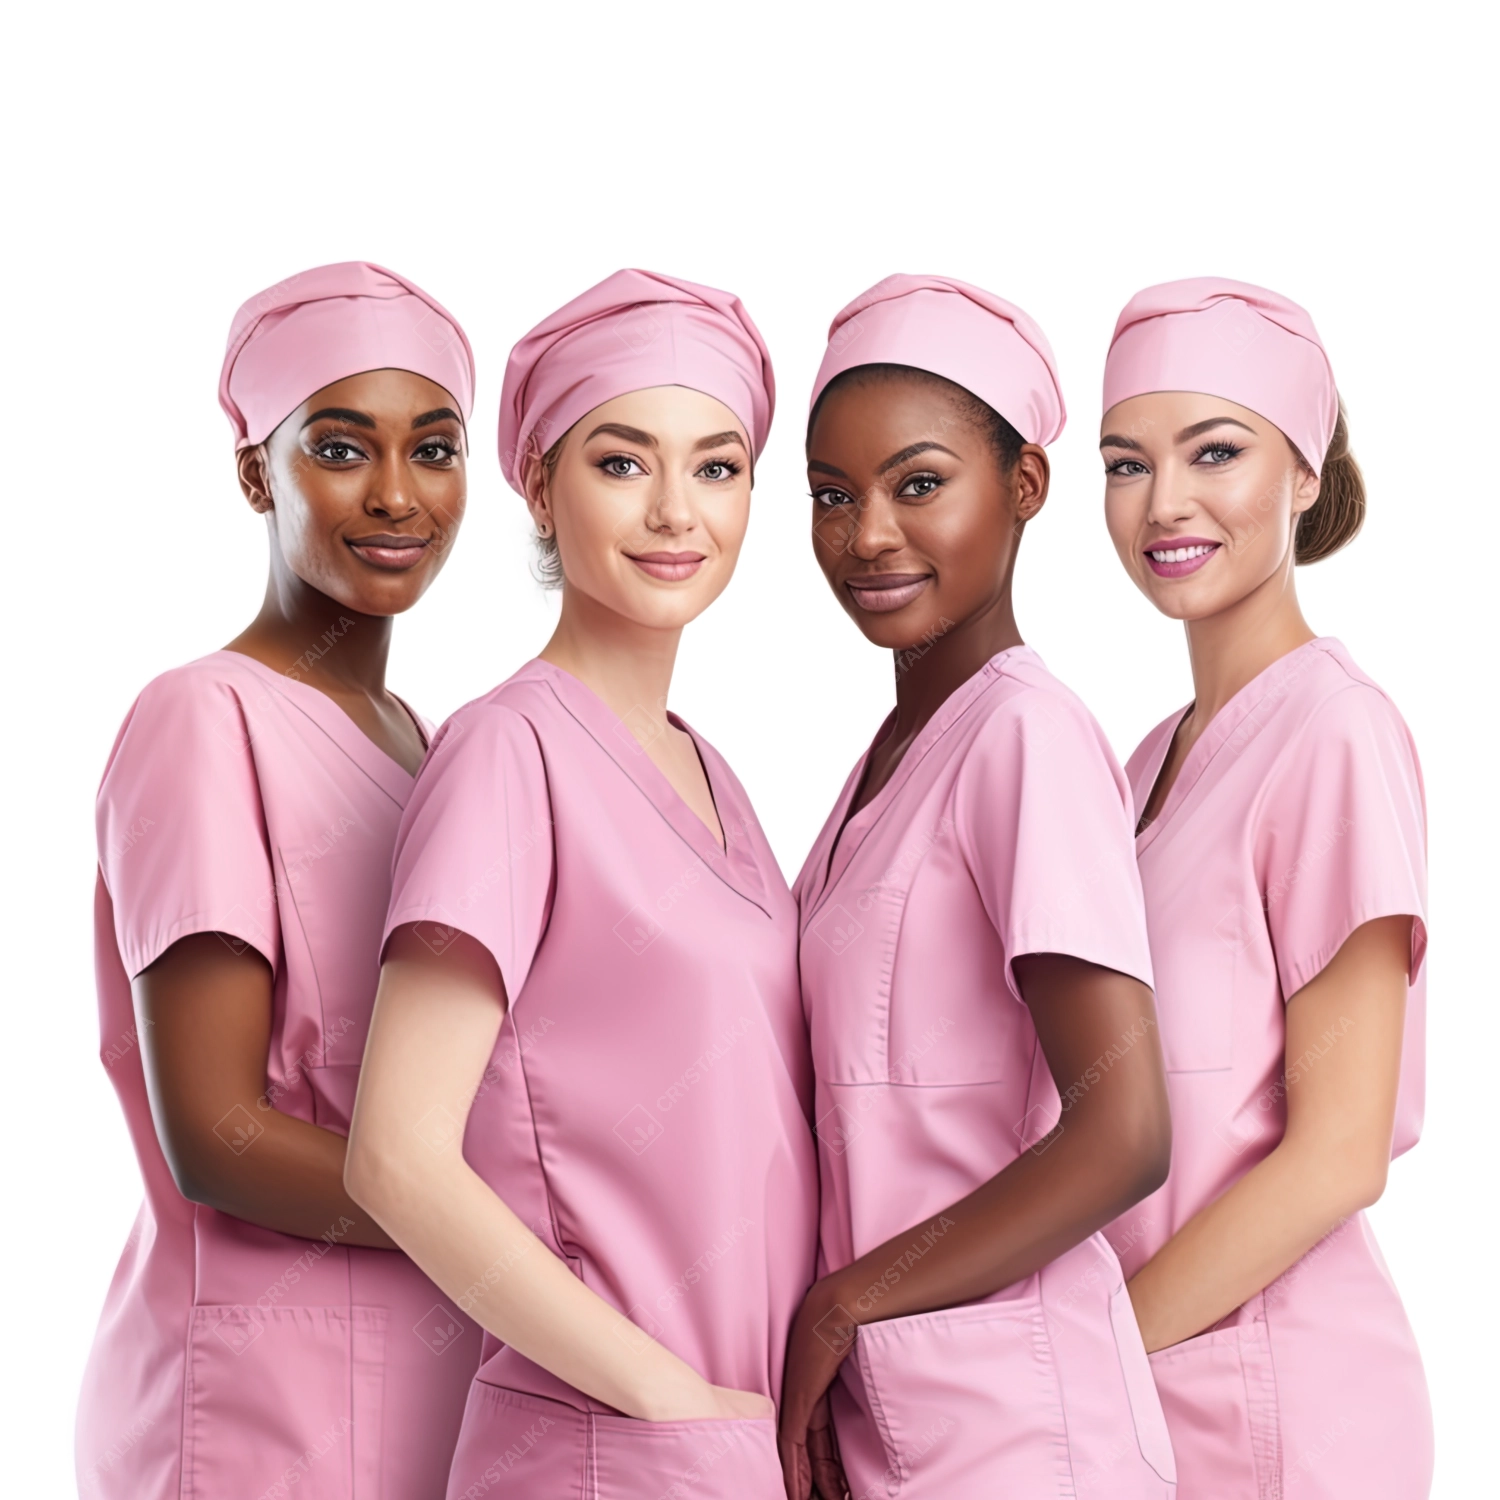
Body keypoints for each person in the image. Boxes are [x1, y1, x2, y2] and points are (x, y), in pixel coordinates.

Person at [344, 269, 818, 1500]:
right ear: (540, 487)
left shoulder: (720, 778)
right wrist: (665, 1398)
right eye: (622, 463)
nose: (676, 512)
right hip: (604, 1451)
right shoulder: (510, 753)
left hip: (731, 1445)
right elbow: (395, 1156)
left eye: (716, 468)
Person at [78, 262, 480, 1500]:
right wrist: (518, 1235)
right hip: (259, 1408)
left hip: (441, 1382)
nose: (399, 496)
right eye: (342, 448)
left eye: (436, 446)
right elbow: (222, 1135)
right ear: (257, 471)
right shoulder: (202, 720)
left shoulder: (437, 743)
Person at [779, 274, 1176, 1499]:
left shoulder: (1027, 738)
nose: (869, 537)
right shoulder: (877, 768)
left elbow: (1124, 1131)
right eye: (832, 497)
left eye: (919, 484)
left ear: (1025, 486)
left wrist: (849, 1303)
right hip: (900, 1424)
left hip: (1022, 1435)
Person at [1098, 277, 1431, 1498]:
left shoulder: (1334, 733)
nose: (1164, 502)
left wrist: (1089, 1361)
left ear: (1303, 473)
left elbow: (1340, 1150)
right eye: (1126, 463)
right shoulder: (1142, 767)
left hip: (1280, 1405)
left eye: (1215, 451)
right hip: (1153, 1405)